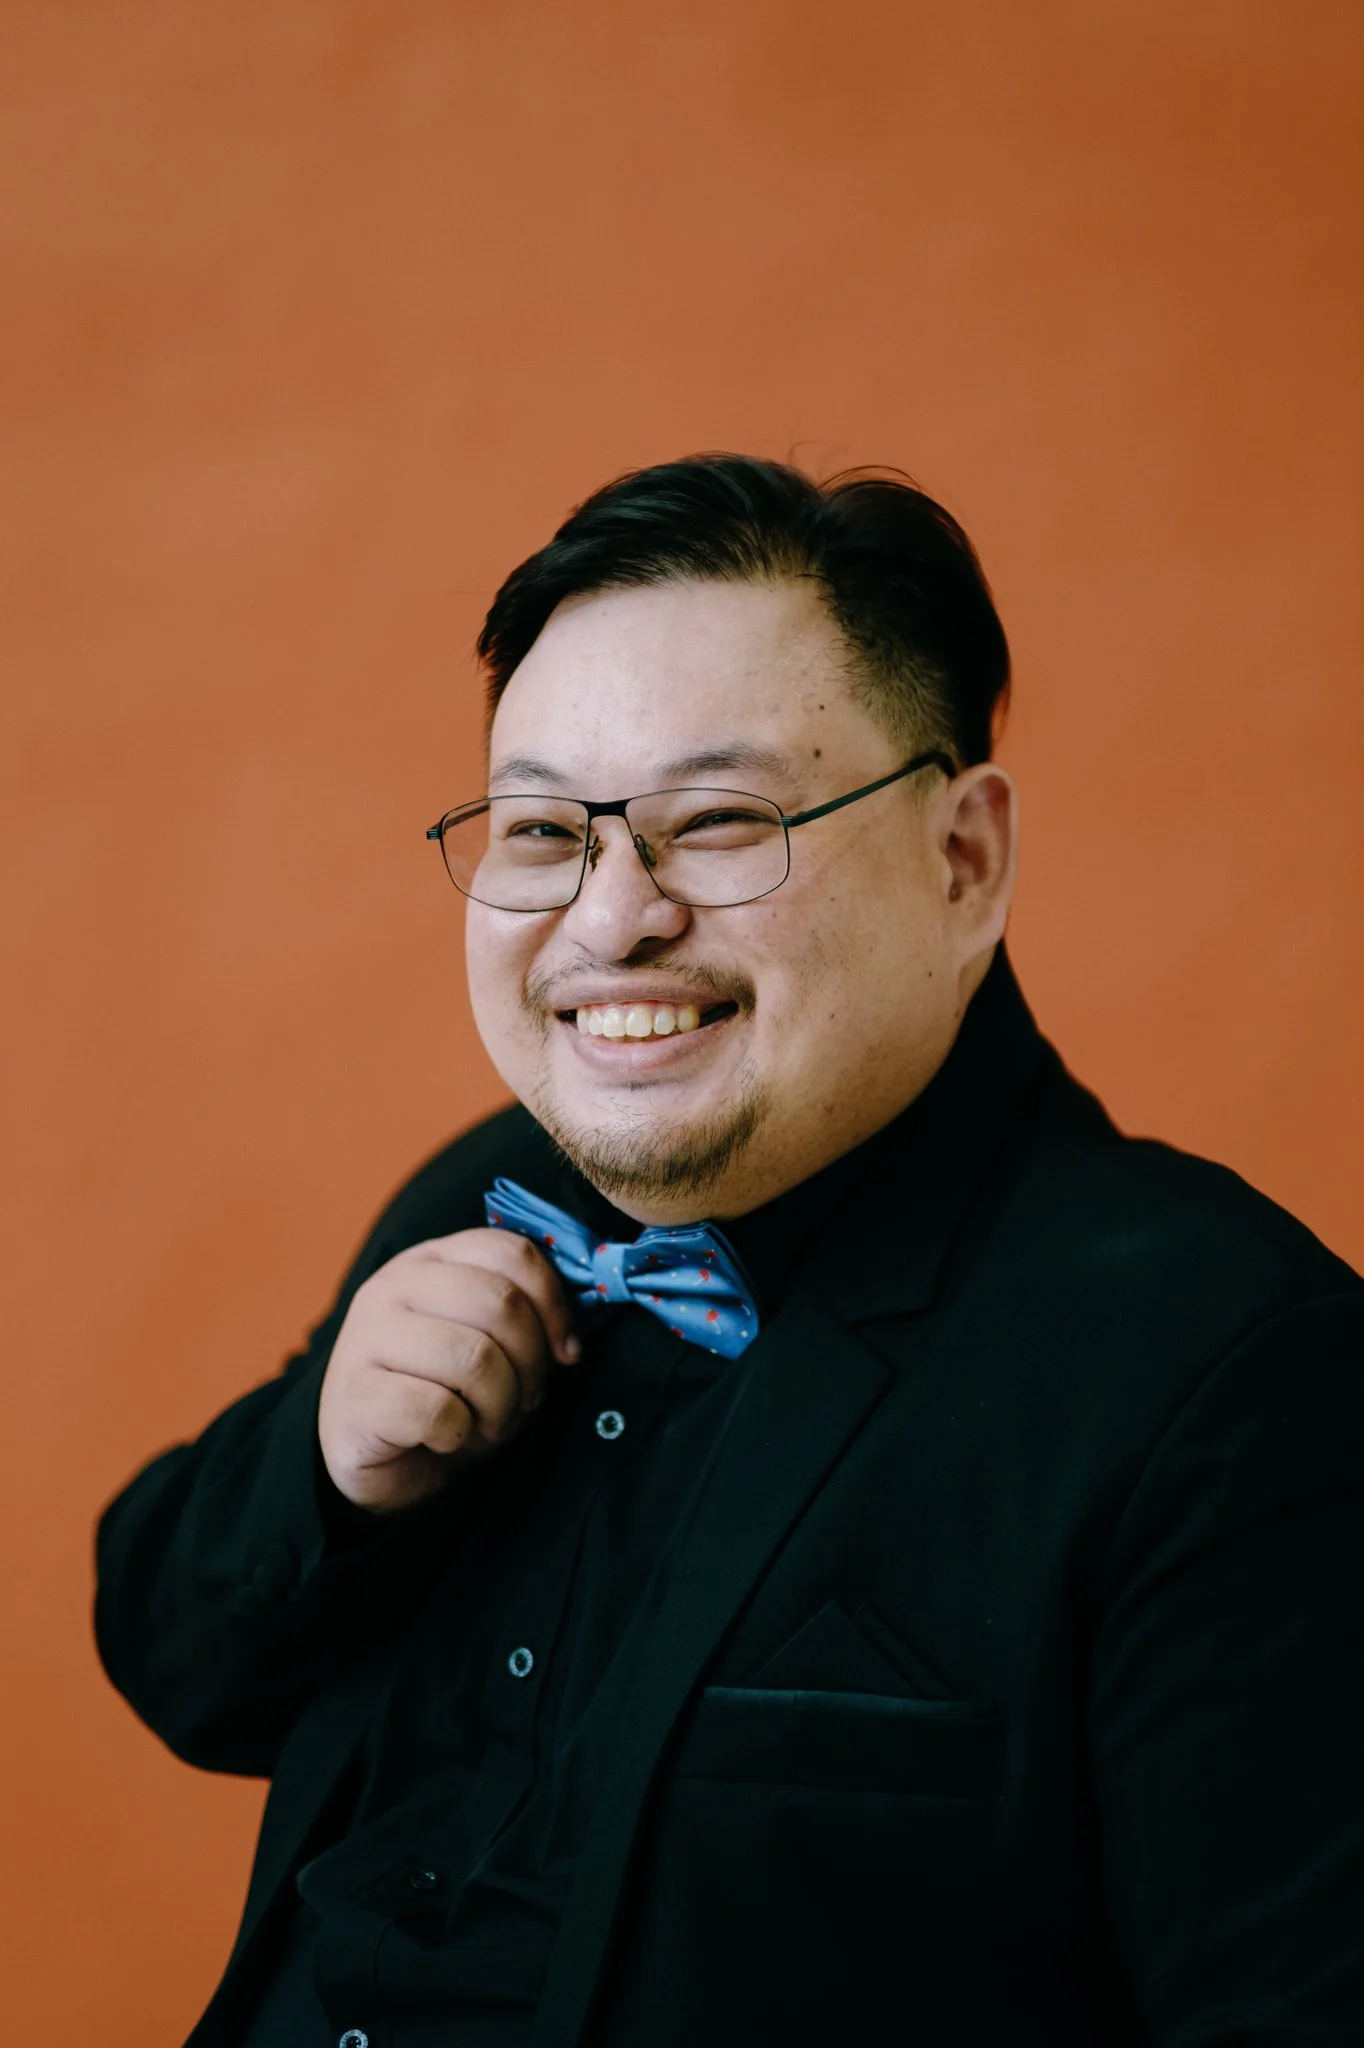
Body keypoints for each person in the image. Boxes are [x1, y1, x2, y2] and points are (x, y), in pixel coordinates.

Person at [95, 454, 1364, 2048]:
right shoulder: (488, 1190)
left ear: (963, 859)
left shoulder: (1231, 1367)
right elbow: (176, 1662)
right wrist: (327, 1472)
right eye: (543, 830)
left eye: (716, 822)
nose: (608, 918)